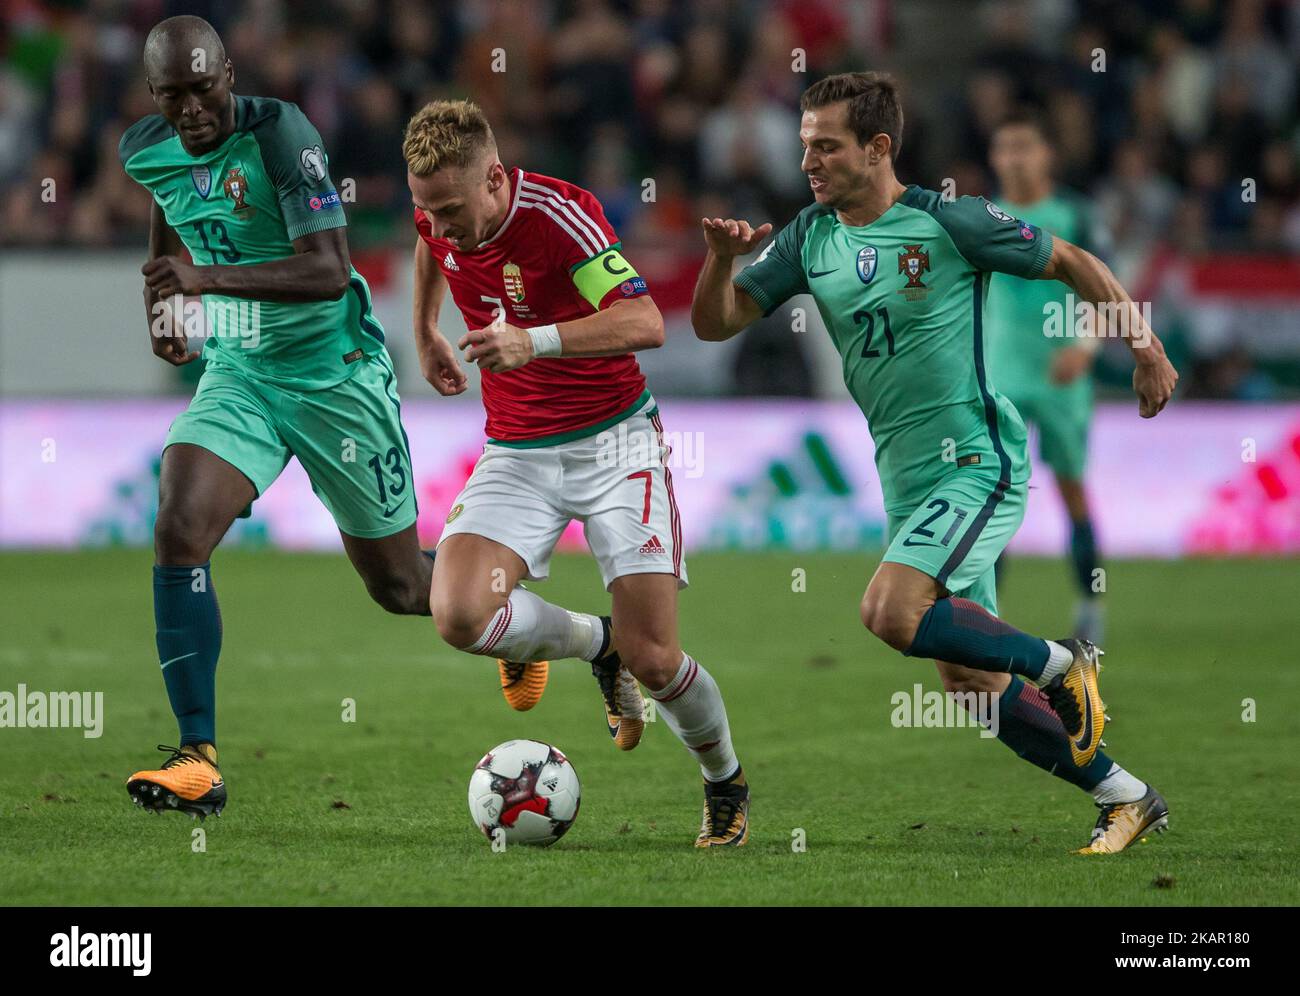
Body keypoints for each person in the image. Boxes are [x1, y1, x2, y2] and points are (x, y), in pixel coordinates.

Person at [690, 72, 1178, 854]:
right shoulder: (810, 237)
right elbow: (716, 325)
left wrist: (1143, 346)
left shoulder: (950, 223)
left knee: (890, 612)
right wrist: (719, 261)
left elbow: (1074, 262)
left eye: (827, 146)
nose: (808, 161)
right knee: (974, 688)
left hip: (977, 460)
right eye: (804, 144)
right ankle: (1126, 797)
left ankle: (1062, 664)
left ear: (879, 148)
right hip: (906, 479)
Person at [405, 100, 749, 846]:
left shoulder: (564, 216)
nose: (440, 225)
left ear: (495, 178)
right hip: (516, 451)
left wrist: (534, 341)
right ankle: (599, 644)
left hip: (616, 446)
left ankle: (724, 781)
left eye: (453, 210)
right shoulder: (440, 212)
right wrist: (426, 327)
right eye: (425, 208)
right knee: (460, 615)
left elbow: (646, 321)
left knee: (657, 659)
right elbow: (431, 246)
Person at [118, 16, 438, 818]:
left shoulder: (279, 134)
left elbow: (330, 271)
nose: (191, 109)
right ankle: (198, 757)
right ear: (154, 95)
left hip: (333, 376)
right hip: (241, 370)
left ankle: (547, 624)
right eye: (173, 95)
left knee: (402, 589)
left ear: (230, 73)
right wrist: (167, 308)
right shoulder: (144, 147)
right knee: (178, 525)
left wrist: (204, 283)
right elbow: (167, 218)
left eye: (204, 88)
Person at [986, 111, 1107, 643]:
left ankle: (1089, 606)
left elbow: (1105, 282)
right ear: (995, 158)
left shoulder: (1074, 214)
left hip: (1061, 374)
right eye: (1006, 148)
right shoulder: (981, 216)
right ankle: (985, 613)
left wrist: (1085, 346)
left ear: (1046, 156)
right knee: (991, 492)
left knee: (1071, 488)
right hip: (1000, 372)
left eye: (1025, 146)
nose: (1016, 157)